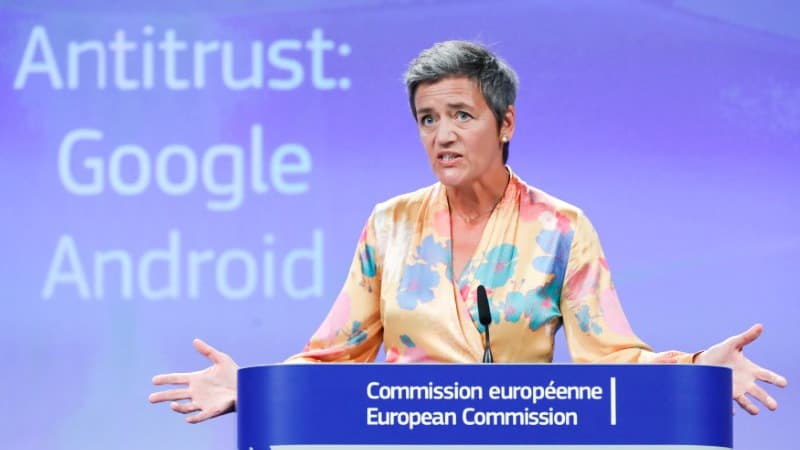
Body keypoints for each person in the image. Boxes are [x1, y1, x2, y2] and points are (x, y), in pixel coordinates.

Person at [149, 40, 787, 424]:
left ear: (505, 122)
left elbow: (611, 355)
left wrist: (701, 369)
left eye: (460, 114)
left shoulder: (560, 228)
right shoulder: (390, 222)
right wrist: (252, 389)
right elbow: (332, 358)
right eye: (427, 119)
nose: (442, 134)